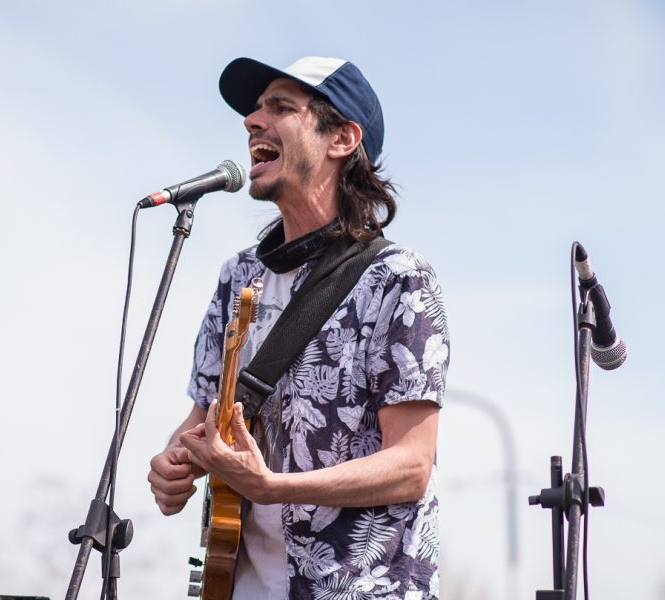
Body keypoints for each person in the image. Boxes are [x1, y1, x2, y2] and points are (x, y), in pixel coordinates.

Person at [148, 56, 449, 600]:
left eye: (281, 107)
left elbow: (411, 465)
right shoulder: (238, 276)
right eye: (254, 109)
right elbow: (199, 421)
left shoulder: (398, 278)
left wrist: (272, 487)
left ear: (342, 139)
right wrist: (175, 463)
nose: (251, 121)